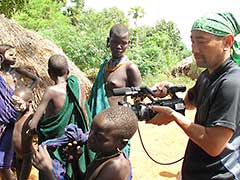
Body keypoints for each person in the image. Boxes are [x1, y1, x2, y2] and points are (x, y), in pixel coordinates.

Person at [147, 12, 240, 179]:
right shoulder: (206, 76)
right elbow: (188, 102)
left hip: (220, 174)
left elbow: (213, 144)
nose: (194, 49)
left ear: (227, 42)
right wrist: (169, 90)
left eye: (202, 42)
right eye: (192, 40)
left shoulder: (232, 83)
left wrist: (174, 116)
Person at [28, 54, 94, 179]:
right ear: (68, 71)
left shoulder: (51, 91)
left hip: (53, 147)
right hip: (72, 144)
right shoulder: (78, 88)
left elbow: (33, 124)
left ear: (49, 73)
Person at [32, 106, 139, 180]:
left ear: (122, 144)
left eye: (99, 136)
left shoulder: (116, 167)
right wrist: (74, 162)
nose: (90, 137)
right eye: (91, 130)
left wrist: (48, 171)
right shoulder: (104, 154)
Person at [88, 24, 142, 157]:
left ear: (128, 44)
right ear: (108, 41)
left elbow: (138, 99)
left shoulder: (130, 68)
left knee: (115, 162)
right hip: (98, 122)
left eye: (124, 43)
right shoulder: (104, 66)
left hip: (116, 126)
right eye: (115, 42)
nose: (119, 46)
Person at [0, 44, 39, 180]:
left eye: (15, 54)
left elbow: (36, 79)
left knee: (19, 155)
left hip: (15, 118)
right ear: (1, 58)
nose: (15, 57)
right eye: (11, 55)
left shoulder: (17, 71)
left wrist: (26, 93)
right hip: (2, 120)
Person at [12, 87, 34, 180]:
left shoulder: (31, 118)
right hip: (17, 155)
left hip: (26, 156)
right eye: (15, 104)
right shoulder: (19, 115)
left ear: (29, 102)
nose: (16, 107)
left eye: (19, 104)